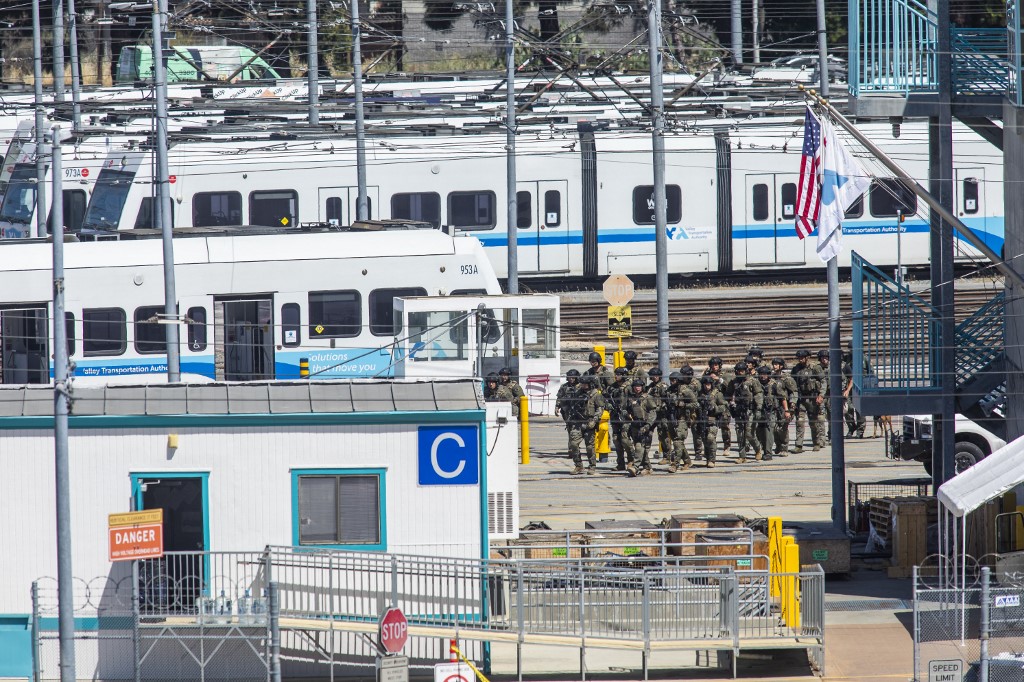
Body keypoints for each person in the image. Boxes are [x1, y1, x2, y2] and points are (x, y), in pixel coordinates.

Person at [725, 361, 763, 462]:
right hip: (739, 410)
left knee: (749, 433)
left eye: (742, 371)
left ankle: (758, 449)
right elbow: (728, 395)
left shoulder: (752, 381)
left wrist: (758, 408)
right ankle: (742, 456)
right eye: (738, 371)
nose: (740, 373)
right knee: (739, 433)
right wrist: (730, 405)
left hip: (749, 410)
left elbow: (758, 395)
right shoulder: (733, 382)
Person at [792, 349, 825, 452]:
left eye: (802, 358)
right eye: (799, 358)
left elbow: (823, 381)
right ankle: (798, 445)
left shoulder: (815, 368)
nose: (800, 360)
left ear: (807, 358)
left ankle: (816, 443)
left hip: (812, 399)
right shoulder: (796, 369)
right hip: (801, 399)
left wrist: (821, 395)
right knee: (800, 422)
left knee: (813, 422)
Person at [622, 378, 657, 476]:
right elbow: (625, 409)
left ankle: (635, 467)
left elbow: (653, 413)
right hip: (635, 425)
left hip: (645, 425)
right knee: (642, 449)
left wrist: (648, 425)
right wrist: (626, 414)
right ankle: (648, 467)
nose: (637, 388)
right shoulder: (631, 398)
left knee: (640, 447)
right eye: (635, 386)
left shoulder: (647, 398)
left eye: (639, 386)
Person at [695, 375, 728, 468]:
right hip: (702, 420)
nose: (707, 386)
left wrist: (715, 408)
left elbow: (724, 406)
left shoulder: (717, 394)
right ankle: (708, 458)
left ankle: (712, 460)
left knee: (711, 438)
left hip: (712, 420)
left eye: (709, 384)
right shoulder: (699, 394)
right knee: (705, 440)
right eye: (705, 384)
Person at [555, 369, 585, 472]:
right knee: (571, 432)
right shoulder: (564, 387)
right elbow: (559, 397)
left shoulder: (582, 386)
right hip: (568, 414)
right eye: (570, 378)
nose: (571, 380)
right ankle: (572, 451)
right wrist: (557, 407)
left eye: (573, 378)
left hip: (581, 415)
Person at [755, 365, 786, 462]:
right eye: (761, 374)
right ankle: (762, 449)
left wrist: (787, 410)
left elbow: (783, 397)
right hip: (759, 411)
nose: (763, 376)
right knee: (759, 432)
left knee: (769, 432)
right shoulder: (756, 384)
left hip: (771, 411)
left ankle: (768, 453)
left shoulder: (774, 384)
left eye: (765, 374)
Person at [667, 371, 696, 471]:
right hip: (671, 418)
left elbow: (696, 404)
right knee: (677, 442)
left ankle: (675, 464)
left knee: (677, 441)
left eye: (674, 380)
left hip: (682, 419)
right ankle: (687, 461)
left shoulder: (686, 391)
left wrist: (683, 405)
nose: (671, 382)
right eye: (670, 380)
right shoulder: (669, 391)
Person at [577, 374, 605, 474]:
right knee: (573, 444)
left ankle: (592, 466)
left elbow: (600, 409)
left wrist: (594, 420)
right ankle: (578, 466)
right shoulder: (577, 393)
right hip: (578, 422)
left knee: (590, 446)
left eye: (585, 384)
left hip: (590, 422)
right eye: (582, 383)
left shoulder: (596, 395)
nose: (583, 385)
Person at [704, 356, 732, 453]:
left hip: (722, 403)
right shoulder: (707, 375)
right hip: (711, 403)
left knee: (724, 426)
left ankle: (726, 446)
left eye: (716, 365)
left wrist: (719, 379)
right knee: (710, 426)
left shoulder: (724, 375)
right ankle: (711, 447)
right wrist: (704, 376)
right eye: (712, 365)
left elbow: (730, 387)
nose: (714, 367)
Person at [606, 367, 631, 470]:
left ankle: (631, 461)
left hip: (627, 417)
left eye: (619, 374)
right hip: (615, 417)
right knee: (616, 440)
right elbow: (605, 399)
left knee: (625, 440)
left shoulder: (629, 387)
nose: (616, 376)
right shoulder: (612, 388)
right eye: (616, 374)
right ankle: (620, 463)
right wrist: (608, 406)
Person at [646, 367, 673, 465]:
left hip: (661, 414)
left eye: (656, 376)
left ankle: (667, 456)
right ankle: (644, 456)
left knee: (663, 435)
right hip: (651, 415)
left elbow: (667, 400)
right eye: (652, 376)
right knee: (648, 433)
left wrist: (661, 407)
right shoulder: (650, 387)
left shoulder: (663, 386)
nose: (654, 378)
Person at [771, 358, 797, 456]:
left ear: (781, 366)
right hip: (774, 406)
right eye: (774, 364)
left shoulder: (787, 379)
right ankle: (778, 446)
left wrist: (792, 405)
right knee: (774, 428)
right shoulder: (772, 378)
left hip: (784, 406)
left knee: (783, 428)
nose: (774, 366)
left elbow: (794, 392)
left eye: (777, 364)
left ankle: (784, 448)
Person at [842, 351, 867, 438]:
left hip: (860, 387)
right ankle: (851, 428)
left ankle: (860, 430)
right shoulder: (846, 359)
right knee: (847, 408)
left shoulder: (864, 358)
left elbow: (870, 372)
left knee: (859, 409)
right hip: (848, 386)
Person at [816, 350, 832, 444]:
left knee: (832, 418)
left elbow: (842, 380)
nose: (824, 359)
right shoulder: (817, 369)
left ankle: (832, 436)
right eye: (822, 357)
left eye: (826, 357)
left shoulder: (833, 368)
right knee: (820, 418)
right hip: (821, 396)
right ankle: (821, 439)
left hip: (832, 395)